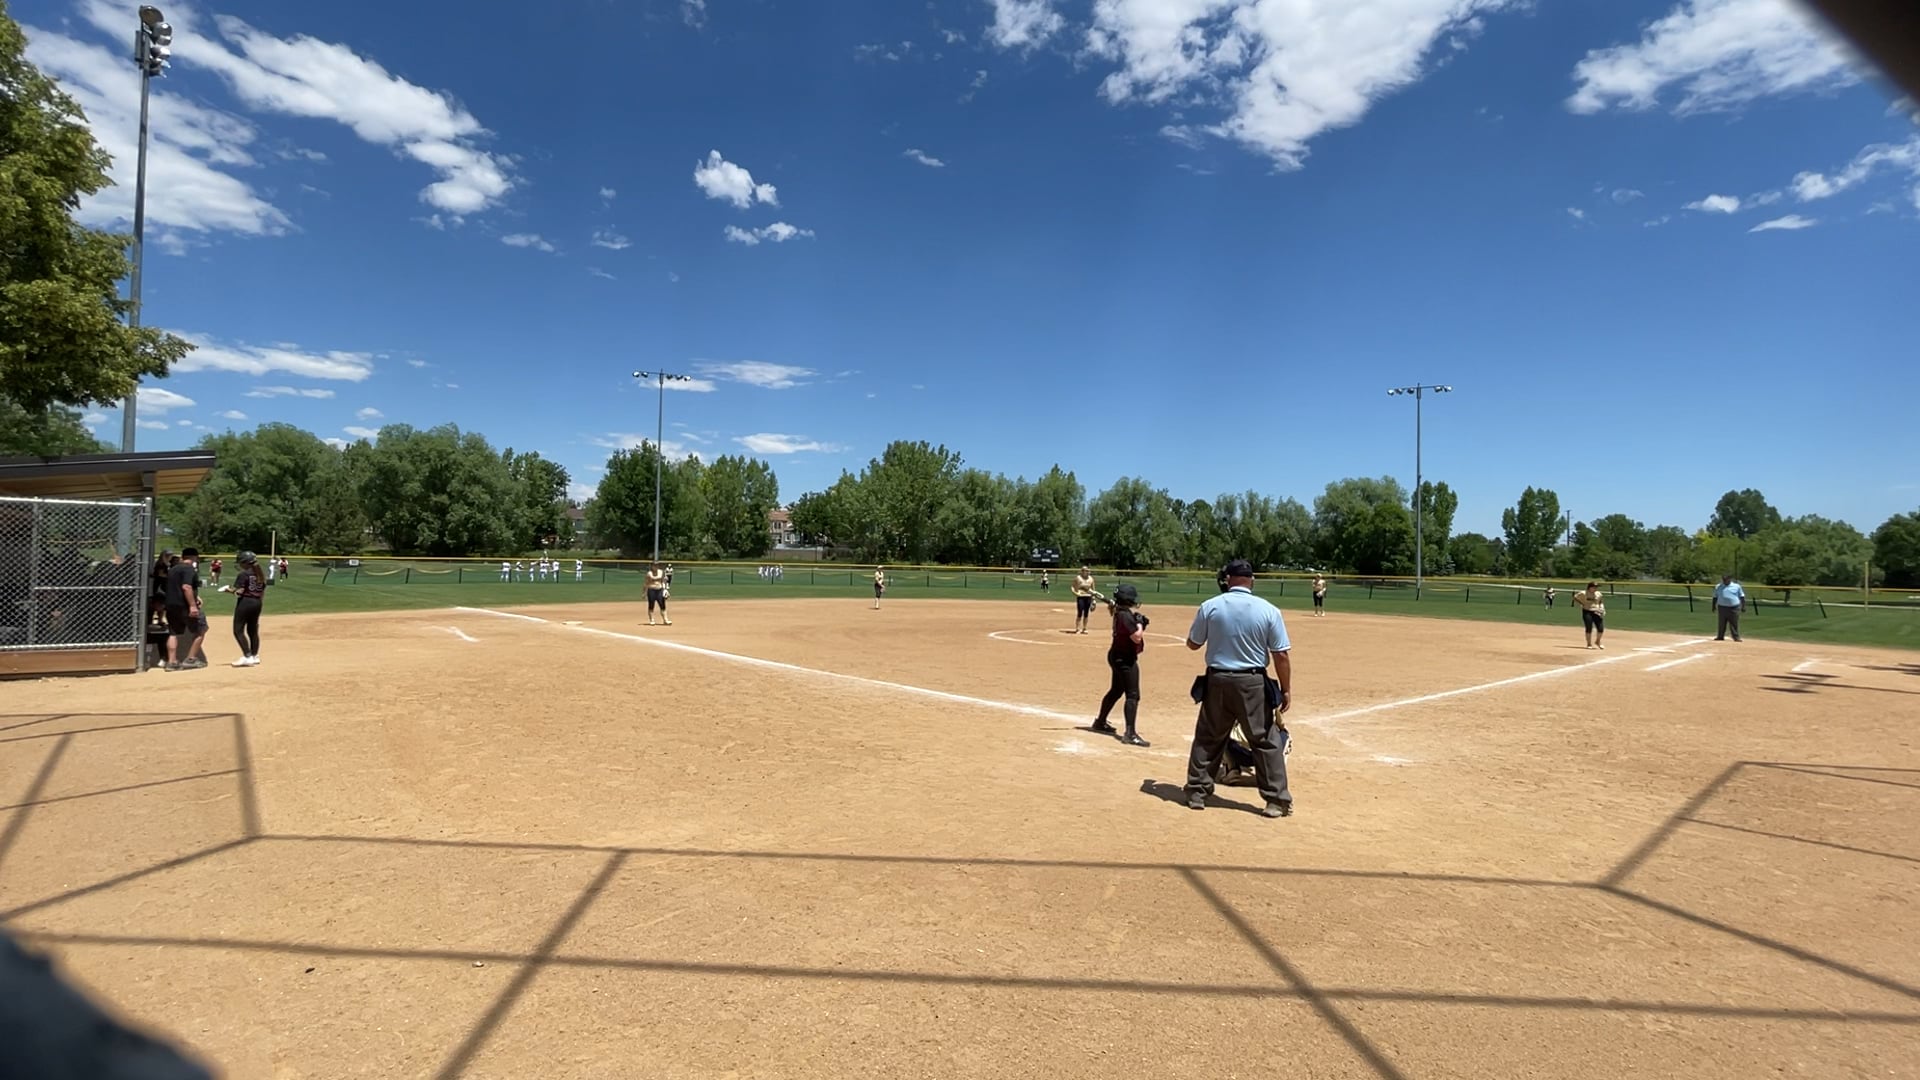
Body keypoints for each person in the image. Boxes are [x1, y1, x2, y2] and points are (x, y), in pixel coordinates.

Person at [1183, 559, 1294, 818]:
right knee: (1264, 740)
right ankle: (1276, 800)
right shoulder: (1269, 610)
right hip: (1252, 682)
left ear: (1228, 580)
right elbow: (1281, 655)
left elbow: (1193, 644)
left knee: (1209, 736)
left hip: (1218, 680)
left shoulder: (1210, 606)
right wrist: (1286, 688)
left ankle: (1197, 793)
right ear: (1251, 580)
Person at [1091, 584, 1151, 746]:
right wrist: (1140, 624)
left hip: (1117, 656)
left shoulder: (1121, 612)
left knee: (1116, 690)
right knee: (1133, 695)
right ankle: (1130, 733)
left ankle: (1100, 722)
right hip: (1125, 660)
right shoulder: (1124, 615)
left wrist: (1137, 621)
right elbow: (1136, 637)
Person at [219, 551, 268, 667]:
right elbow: (262, 590)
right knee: (253, 630)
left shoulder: (243, 574)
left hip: (246, 602)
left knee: (238, 630)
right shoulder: (260, 573)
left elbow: (239, 592)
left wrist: (228, 590)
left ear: (246, 563)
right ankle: (255, 656)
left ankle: (247, 656)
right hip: (257, 602)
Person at [163, 548, 208, 671]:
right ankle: (191, 659)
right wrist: (192, 605)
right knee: (201, 629)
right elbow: (186, 587)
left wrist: (196, 597)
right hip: (184, 605)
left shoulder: (173, 569)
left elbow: (176, 586)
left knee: (173, 633)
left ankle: (171, 662)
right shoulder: (189, 569)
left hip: (171, 605)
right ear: (194, 557)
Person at [1573, 581, 1606, 649]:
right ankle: (1589, 643)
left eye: (1596, 587)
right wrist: (1581, 603)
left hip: (1596, 611)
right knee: (1589, 627)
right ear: (1589, 587)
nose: (1596, 588)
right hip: (1587, 611)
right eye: (1594, 587)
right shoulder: (1583, 593)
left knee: (1600, 628)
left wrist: (1602, 608)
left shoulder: (1598, 594)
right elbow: (1575, 597)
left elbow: (1600, 601)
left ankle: (1598, 641)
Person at [1713, 574, 1746, 642]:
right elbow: (1715, 596)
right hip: (1722, 607)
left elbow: (1742, 596)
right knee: (1721, 623)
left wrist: (1743, 606)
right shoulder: (1718, 586)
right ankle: (1720, 636)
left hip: (1734, 607)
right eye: (1723, 579)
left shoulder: (1736, 586)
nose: (1724, 581)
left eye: (1726, 579)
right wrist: (1713, 606)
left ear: (1730, 579)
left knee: (1734, 623)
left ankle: (1736, 637)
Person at [1071, 565, 1096, 634]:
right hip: (1081, 597)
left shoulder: (1091, 579)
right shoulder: (1078, 578)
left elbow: (1093, 589)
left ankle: (1084, 628)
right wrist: (1076, 593)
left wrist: (1094, 600)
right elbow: (1072, 587)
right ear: (1082, 571)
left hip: (1088, 597)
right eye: (1085, 571)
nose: (1087, 572)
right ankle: (1077, 628)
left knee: (1086, 613)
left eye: (1088, 571)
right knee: (1079, 613)